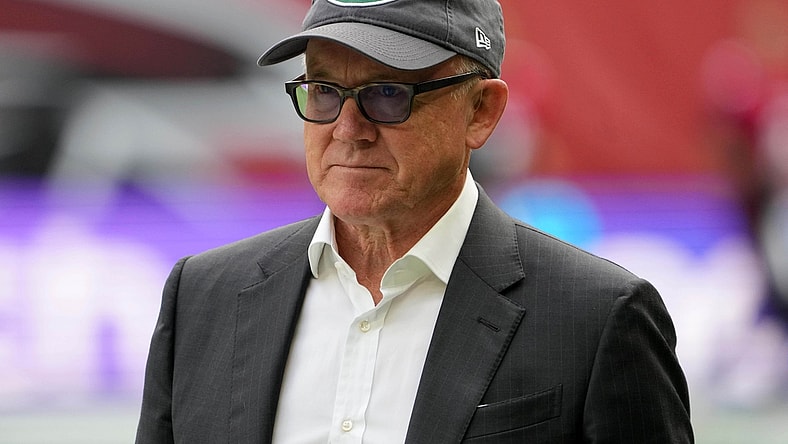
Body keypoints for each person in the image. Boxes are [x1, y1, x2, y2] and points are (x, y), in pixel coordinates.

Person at [135, 0, 693, 442]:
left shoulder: (597, 319)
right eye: (324, 92)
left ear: (481, 112)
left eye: (387, 94)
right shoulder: (202, 298)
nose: (348, 128)